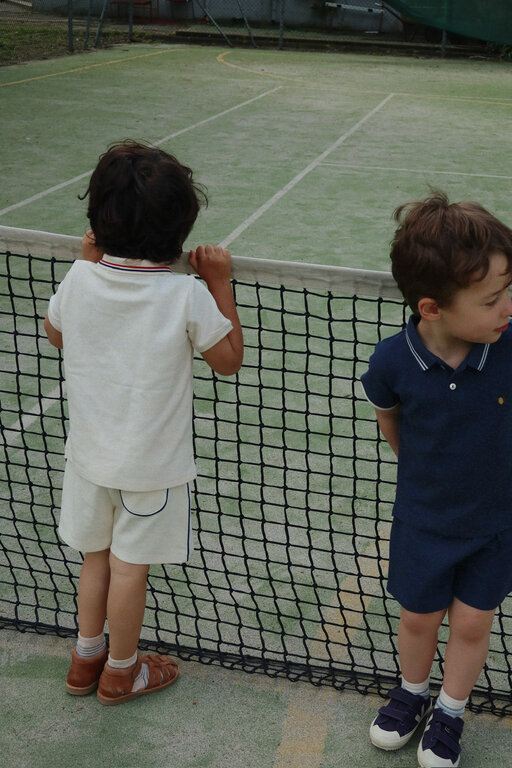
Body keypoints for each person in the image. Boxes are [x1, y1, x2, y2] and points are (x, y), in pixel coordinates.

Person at [44, 140, 243, 706]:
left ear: (99, 218)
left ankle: (86, 660)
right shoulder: (185, 292)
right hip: (151, 472)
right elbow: (228, 360)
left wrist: (86, 264)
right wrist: (219, 282)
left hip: (88, 461)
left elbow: (56, 333)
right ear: (180, 225)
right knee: (130, 570)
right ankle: (121, 672)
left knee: (95, 560)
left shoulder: (81, 276)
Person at [361, 192, 512, 767]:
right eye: (492, 299)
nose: (507, 308)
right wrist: (427, 470)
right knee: (418, 617)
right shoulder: (390, 362)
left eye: (509, 291)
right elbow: (390, 418)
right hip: (422, 521)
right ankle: (412, 693)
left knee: (473, 623)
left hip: (494, 525)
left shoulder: (508, 346)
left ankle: (450, 710)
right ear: (431, 308)